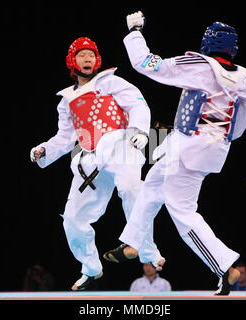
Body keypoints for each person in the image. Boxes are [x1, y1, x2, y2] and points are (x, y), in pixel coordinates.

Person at [104, 12, 246, 295]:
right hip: (212, 150)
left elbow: (145, 63)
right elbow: (240, 126)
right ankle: (134, 241)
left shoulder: (198, 64)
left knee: (183, 211)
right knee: (152, 184)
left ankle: (225, 266)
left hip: (188, 146)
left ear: (208, 44)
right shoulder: (243, 80)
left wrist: (135, 31)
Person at [30, 37, 164, 291]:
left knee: (130, 187)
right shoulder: (66, 100)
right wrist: (44, 149)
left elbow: (138, 103)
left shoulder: (110, 81)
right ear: (72, 61)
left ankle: (145, 250)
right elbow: (65, 137)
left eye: (91, 55)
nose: (88, 59)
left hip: (120, 143)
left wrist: (140, 131)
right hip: (89, 157)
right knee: (72, 218)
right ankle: (91, 268)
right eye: (82, 55)